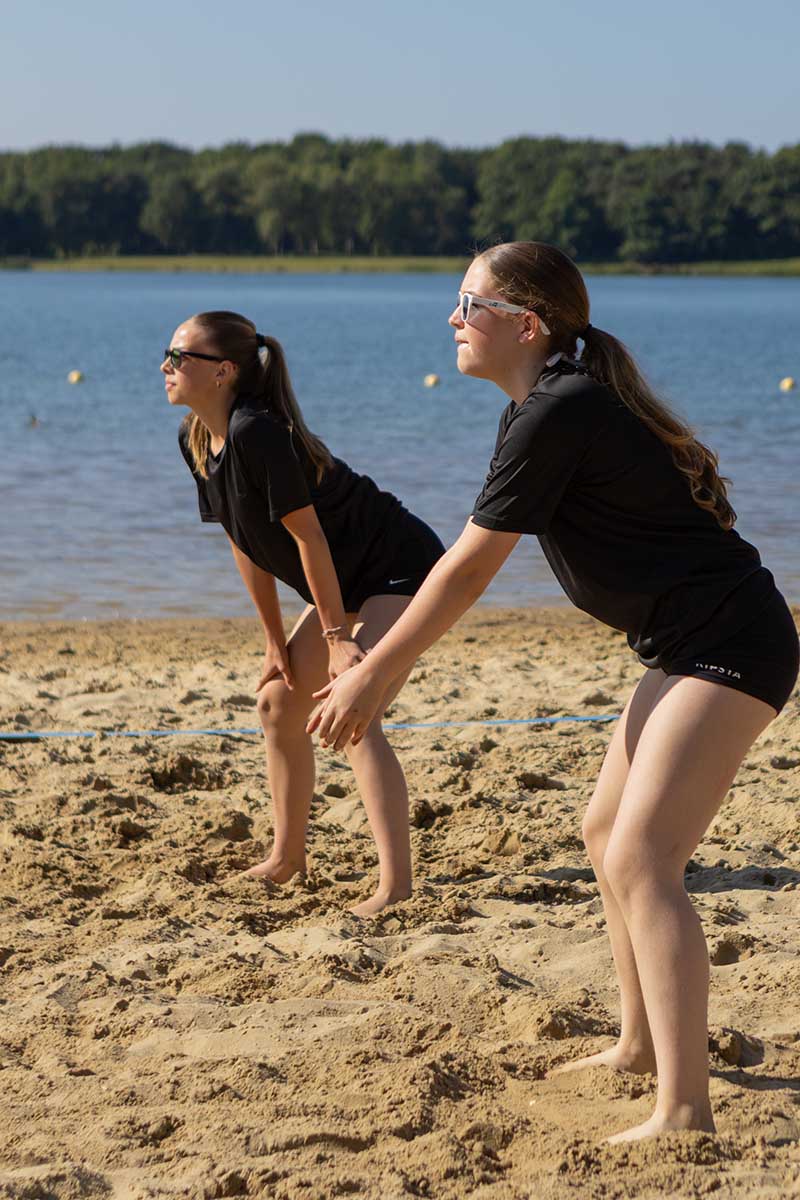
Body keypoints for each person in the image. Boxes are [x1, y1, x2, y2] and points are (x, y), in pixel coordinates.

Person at [308, 243, 799, 1141]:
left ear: (526, 325)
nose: (453, 318)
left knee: (643, 859)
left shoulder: (560, 407)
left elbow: (463, 571)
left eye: (470, 302)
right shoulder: (544, 406)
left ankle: (685, 1111)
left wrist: (375, 672)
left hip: (731, 642)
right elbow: (467, 565)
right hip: (688, 642)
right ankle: (639, 1046)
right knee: (604, 834)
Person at [164, 310, 444, 917]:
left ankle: (396, 888)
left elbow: (309, 539)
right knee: (278, 706)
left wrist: (340, 641)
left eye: (179, 356)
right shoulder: (197, 439)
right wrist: (272, 641)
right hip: (344, 584)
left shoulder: (256, 432)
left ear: (224, 372)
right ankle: (287, 858)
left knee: (352, 704)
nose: (166, 366)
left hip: (401, 566)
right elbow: (245, 542)